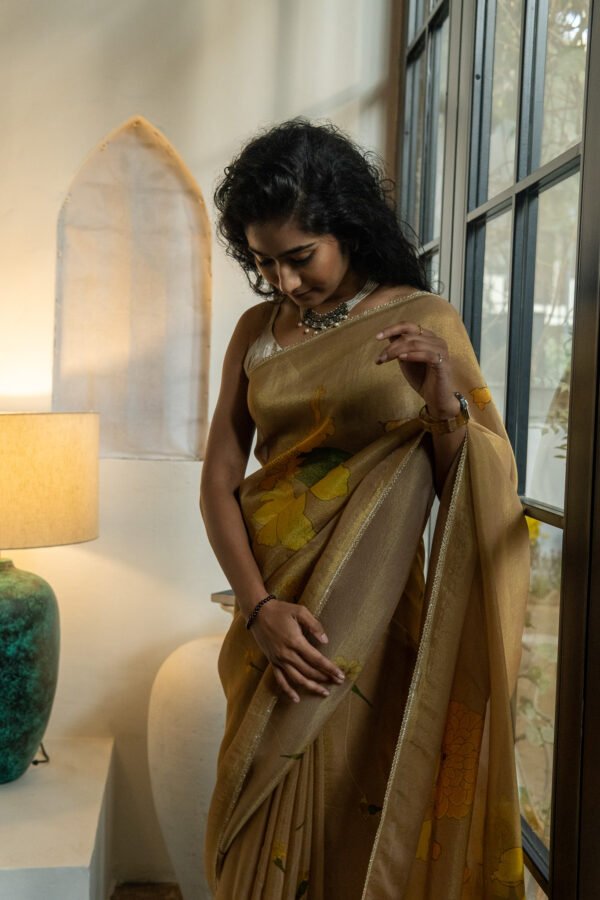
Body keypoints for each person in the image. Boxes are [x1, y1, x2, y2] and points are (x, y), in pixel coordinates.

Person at [201, 120, 529, 899]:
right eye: (263, 262)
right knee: (248, 821)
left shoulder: (425, 321)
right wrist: (259, 610)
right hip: (270, 604)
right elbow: (219, 478)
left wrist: (440, 399)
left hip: (372, 613)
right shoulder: (256, 331)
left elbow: (473, 484)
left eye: (299, 257)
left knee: (357, 810)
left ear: (346, 227)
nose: (283, 282)